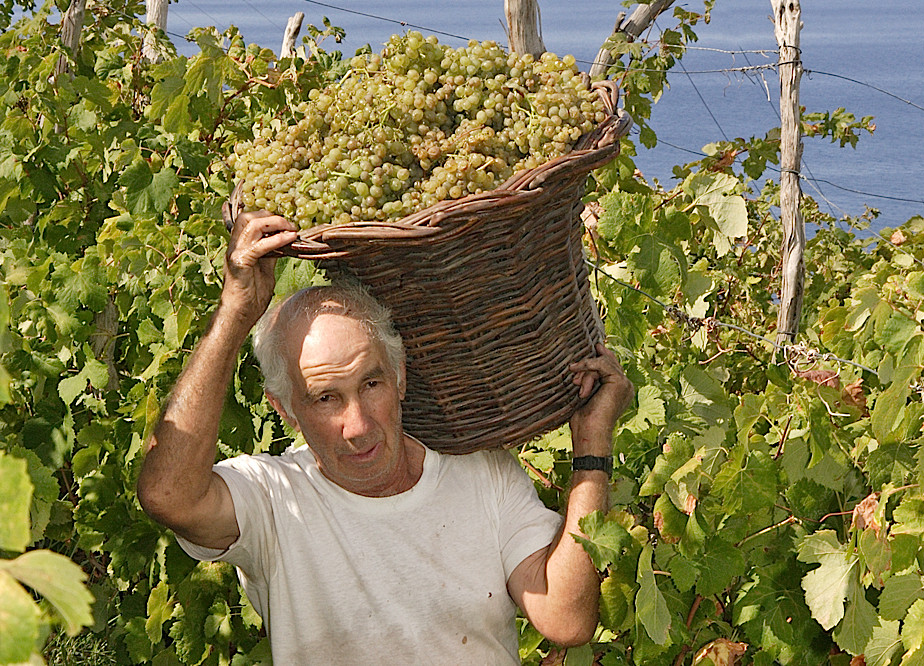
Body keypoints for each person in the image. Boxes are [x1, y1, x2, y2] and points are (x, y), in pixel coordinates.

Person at [136, 210, 634, 664]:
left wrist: (592, 449)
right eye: (325, 398)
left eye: (370, 384)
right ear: (285, 409)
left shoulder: (483, 473)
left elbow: (566, 619)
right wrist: (235, 312)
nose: (358, 426)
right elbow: (166, 494)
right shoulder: (273, 500)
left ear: (399, 376)